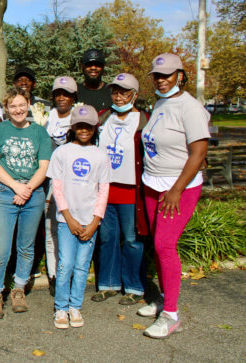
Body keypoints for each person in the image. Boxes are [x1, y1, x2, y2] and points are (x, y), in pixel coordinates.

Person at [138, 53, 209, 339]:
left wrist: (176, 190)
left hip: (177, 188)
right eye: (156, 75)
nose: (161, 80)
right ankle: (165, 298)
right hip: (153, 183)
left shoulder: (190, 107)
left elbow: (199, 153)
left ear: (181, 75)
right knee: (157, 245)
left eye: (167, 75)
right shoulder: (160, 102)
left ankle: (171, 314)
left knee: (164, 244)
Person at [0, 87, 51, 318]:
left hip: (33, 194)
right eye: (13, 106)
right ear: (6, 108)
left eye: (22, 105)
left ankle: (19, 289)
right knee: (1, 250)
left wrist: (28, 189)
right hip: (6, 193)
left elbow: (43, 166)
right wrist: (16, 187)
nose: (18, 110)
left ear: (29, 104)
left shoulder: (40, 133)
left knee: (25, 247)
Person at [47, 105, 110, 329]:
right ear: (73, 127)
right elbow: (57, 188)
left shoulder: (100, 154)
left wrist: (95, 221)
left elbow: (103, 190)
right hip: (67, 221)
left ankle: (76, 306)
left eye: (89, 126)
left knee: (83, 265)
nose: (84, 130)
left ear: (95, 127)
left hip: (90, 221)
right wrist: (68, 216)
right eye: (80, 126)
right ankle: (61, 307)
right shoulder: (62, 152)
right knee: (65, 264)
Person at [92, 73, 150, 306]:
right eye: (115, 91)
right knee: (107, 238)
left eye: (124, 92)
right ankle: (108, 284)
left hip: (131, 192)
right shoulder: (103, 117)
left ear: (134, 95)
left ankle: (134, 287)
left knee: (132, 240)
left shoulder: (145, 120)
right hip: (106, 190)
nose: (118, 96)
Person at [43, 76, 78, 294]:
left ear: (74, 97)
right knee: (51, 228)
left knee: (71, 226)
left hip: (75, 181)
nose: (61, 98)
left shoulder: (79, 116)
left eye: (66, 94)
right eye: (58, 94)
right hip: (49, 180)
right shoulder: (46, 117)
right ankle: (54, 273)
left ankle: (70, 271)